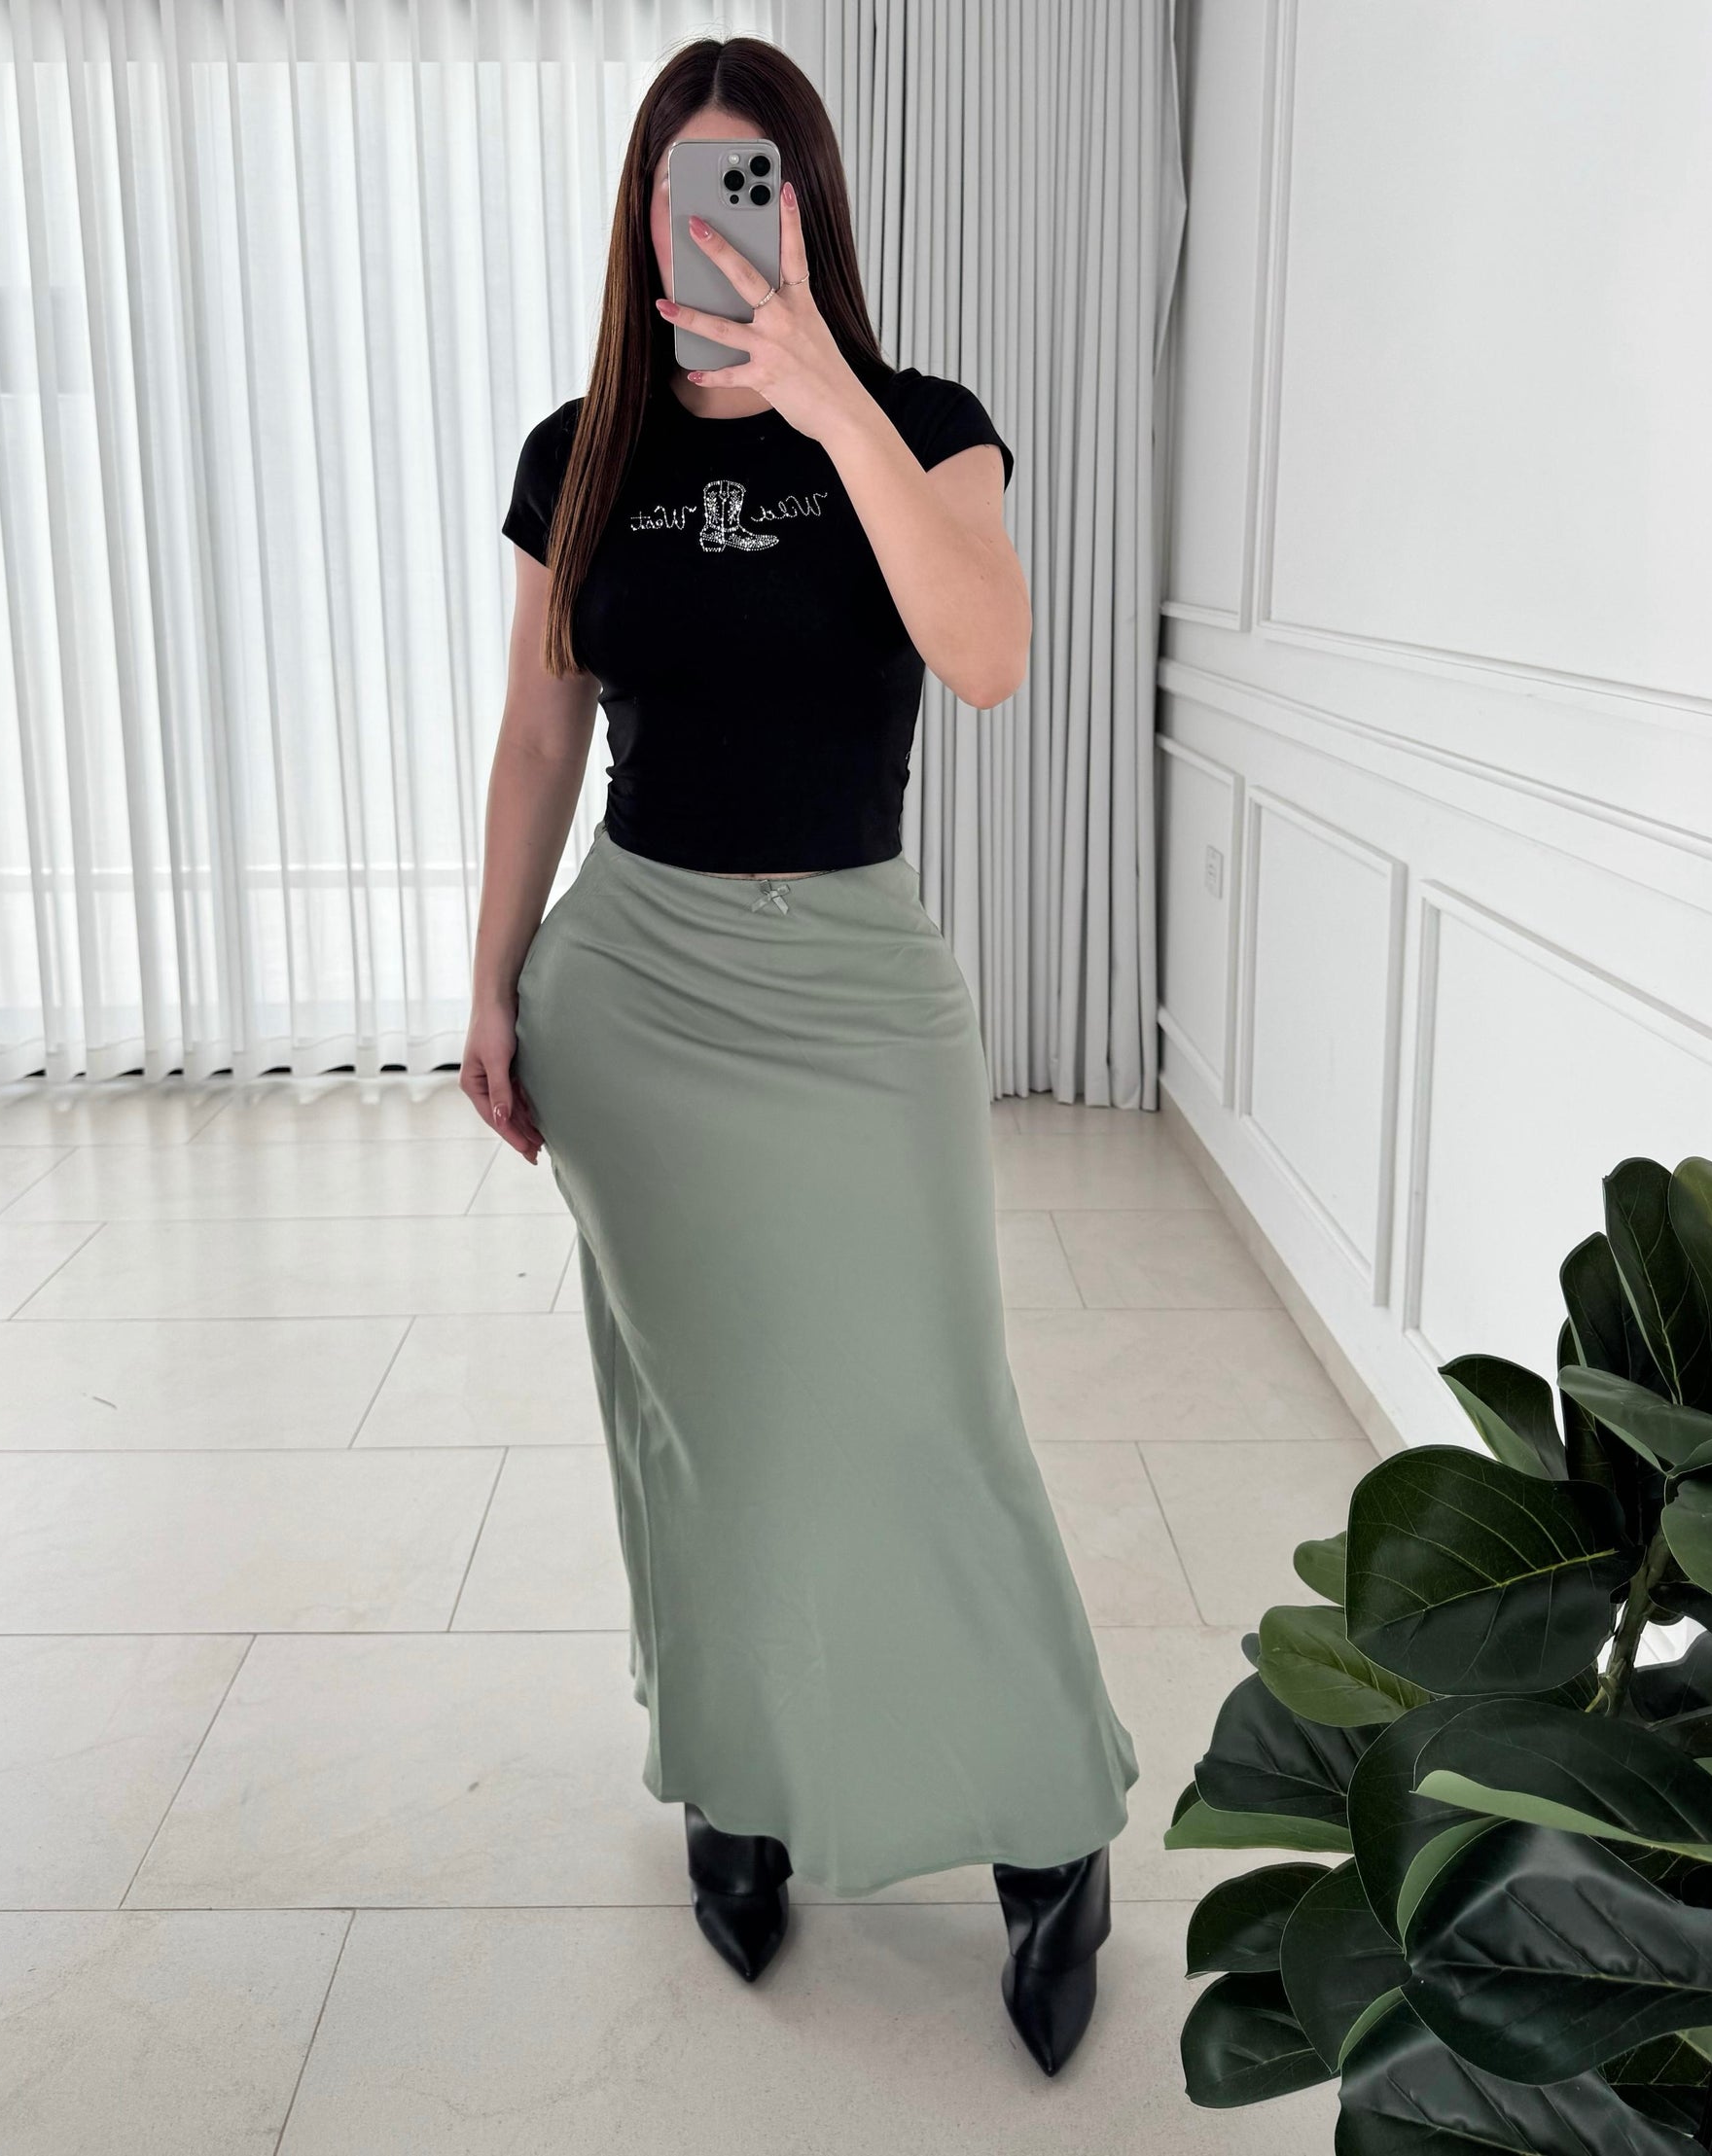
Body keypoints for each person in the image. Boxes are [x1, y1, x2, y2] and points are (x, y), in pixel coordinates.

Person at [462, 33, 1137, 2079]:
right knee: (708, 1426)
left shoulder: (922, 425)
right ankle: (738, 1781)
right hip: (631, 988)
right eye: (684, 184)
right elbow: (538, 736)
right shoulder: (581, 450)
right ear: (642, 216)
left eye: (750, 179)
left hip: (854, 984)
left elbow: (987, 656)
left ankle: (1049, 1825)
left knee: (930, 1413)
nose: (717, 218)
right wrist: (489, 986)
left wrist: (824, 393)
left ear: (808, 203)